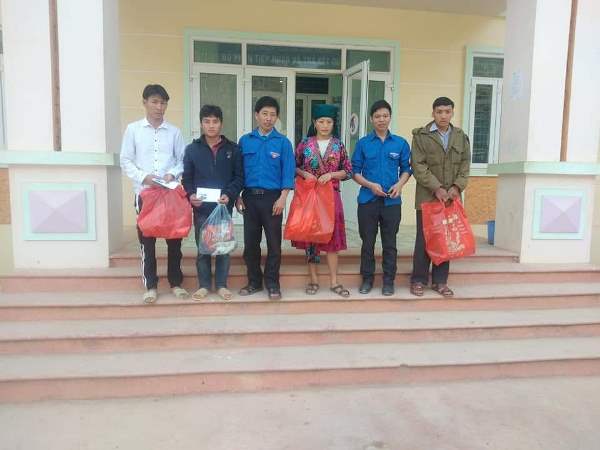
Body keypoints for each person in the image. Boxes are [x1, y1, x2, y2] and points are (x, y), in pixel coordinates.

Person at [120, 84, 189, 304]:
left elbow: (183, 161)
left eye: (163, 103)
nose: (159, 107)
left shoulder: (174, 132)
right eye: (155, 102)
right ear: (145, 102)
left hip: (170, 195)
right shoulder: (133, 130)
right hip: (145, 194)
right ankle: (150, 285)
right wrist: (143, 177)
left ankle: (176, 283)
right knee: (147, 241)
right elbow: (125, 160)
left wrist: (172, 174)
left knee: (174, 240)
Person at [410, 96, 471, 298]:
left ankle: (440, 282)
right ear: (433, 113)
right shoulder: (421, 136)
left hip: (450, 199)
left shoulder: (461, 137)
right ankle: (418, 280)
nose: (443, 115)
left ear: (452, 113)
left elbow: (465, 166)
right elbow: (418, 166)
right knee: (424, 239)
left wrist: (456, 187)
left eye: (447, 111)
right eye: (439, 112)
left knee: (446, 239)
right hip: (428, 197)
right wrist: (436, 188)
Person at [182, 105, 244, 301]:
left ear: (221, 124)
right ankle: (204, 286)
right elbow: (187, 178)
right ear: (201, 124)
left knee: (223, 248)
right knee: (203, 249)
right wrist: (191, 195)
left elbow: (239, 177)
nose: (211, 125)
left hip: (223, 208)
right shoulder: (192, 149)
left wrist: (229, 194)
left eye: (215, 121)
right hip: (201, 209)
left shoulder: (233, 149)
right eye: (207, 121)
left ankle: (222, 285)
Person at [236, 96, 295, 300]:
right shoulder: (245, 141)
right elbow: (239, 172)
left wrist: (283, 197)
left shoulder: (283, 143)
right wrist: (237, 196)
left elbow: (288, 172)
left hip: (273, 200)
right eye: (265, 114)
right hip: (249, 199)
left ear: (277, 117)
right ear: (256, 115)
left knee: (274, 244)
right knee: (250, 244)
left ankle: (272, 283)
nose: (268, 118)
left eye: (273, 115)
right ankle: (254, 282)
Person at [351, 100, 412, 296]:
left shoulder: (400, 143)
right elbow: (354, 172)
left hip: (391, 202)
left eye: (385, 116)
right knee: (367, 243)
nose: (381, 119)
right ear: (371, 119)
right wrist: (370, 185)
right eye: (377, 116)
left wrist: (399, 185)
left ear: (390, 117)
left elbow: (407, 169)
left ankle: (388, 281)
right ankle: (367, 279)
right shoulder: (363, 143)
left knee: (390, 243)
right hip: (367, 201)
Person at [292, 104, 353, 298]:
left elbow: (348, 171)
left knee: (332, 238)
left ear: (333, 124)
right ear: (314, 123)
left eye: (329, 122)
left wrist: (332, 175)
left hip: (331, 198)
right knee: (311, 239)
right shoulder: (305, 144)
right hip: (310, 197)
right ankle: (313, 280)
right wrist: (305, 174)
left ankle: (334, 281)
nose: (325, 125)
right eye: (321, 121)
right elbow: (293, 166)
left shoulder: (338, 145)